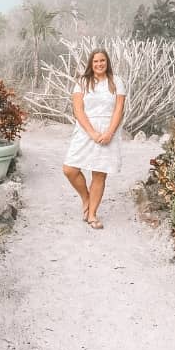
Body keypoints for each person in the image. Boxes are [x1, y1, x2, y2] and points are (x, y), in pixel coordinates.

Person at [62, 48, 126, 230]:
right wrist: (92, 132)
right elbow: (78, 110)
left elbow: (119, 110)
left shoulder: (117, 82)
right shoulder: (82, 82)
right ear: (91, 63)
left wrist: (109, 133)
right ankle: (86, 198)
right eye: (96, 61)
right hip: (85, 129)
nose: (99, 64)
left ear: (107, 63)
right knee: (69, 169)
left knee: (99, 173)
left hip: (108, 130)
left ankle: (92, 214)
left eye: (102, 61)